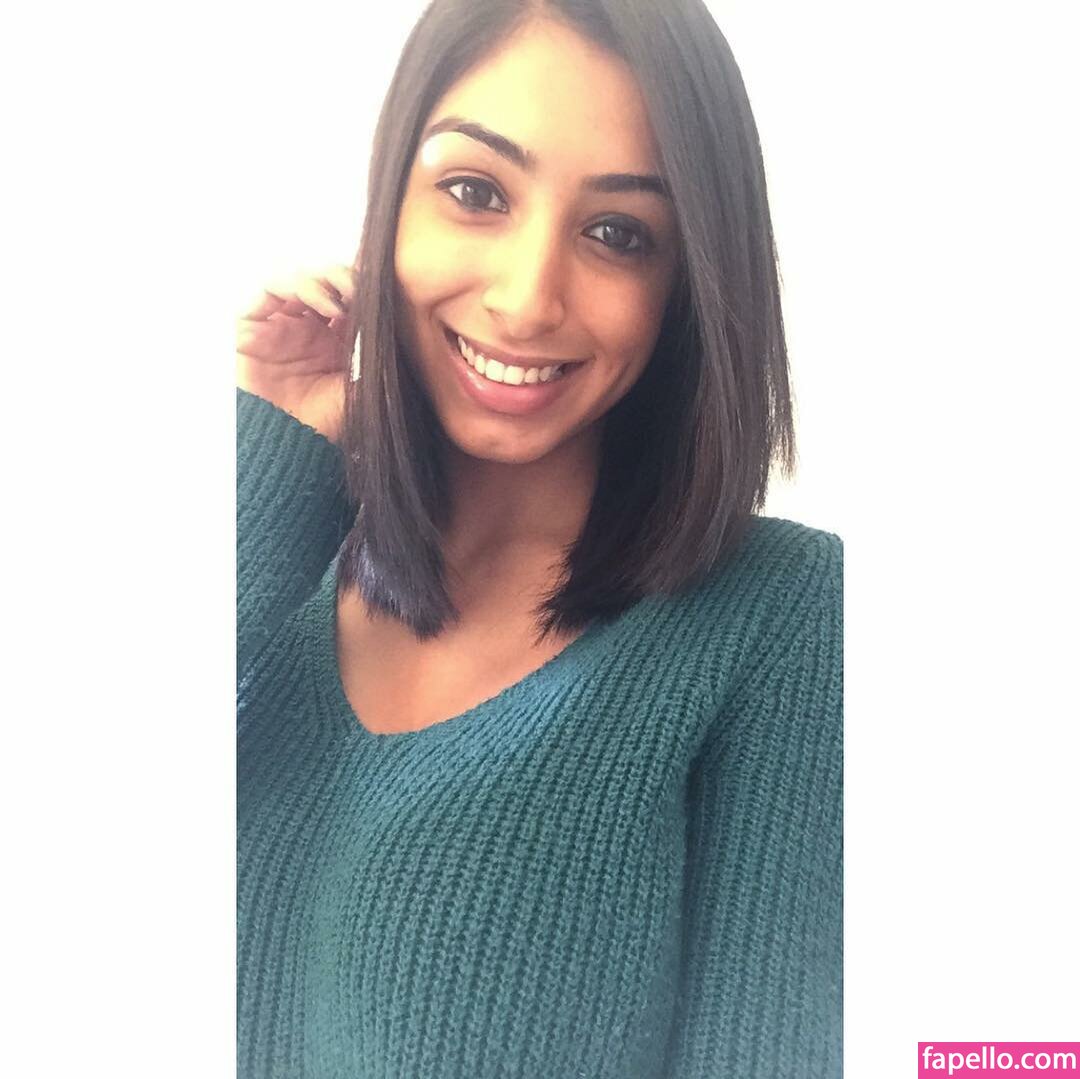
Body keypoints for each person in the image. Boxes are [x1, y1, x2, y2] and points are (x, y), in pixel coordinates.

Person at [236, 0, 842, 1076]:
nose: (526, 300)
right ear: (391, 201)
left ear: (686, 285)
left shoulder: (786, 619)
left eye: (618, 234)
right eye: (475, 192)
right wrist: (271, 456)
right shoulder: (270, 567)